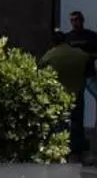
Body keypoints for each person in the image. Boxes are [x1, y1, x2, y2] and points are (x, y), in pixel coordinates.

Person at [39, 30, 92, 158]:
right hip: (77, 92)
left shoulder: (49, 56)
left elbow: (40, 71)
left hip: (58, 94)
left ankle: (60, 148)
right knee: (77, 122)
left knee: (59, 122)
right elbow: (89, 65)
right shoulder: (80, 54)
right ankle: (76, 149)